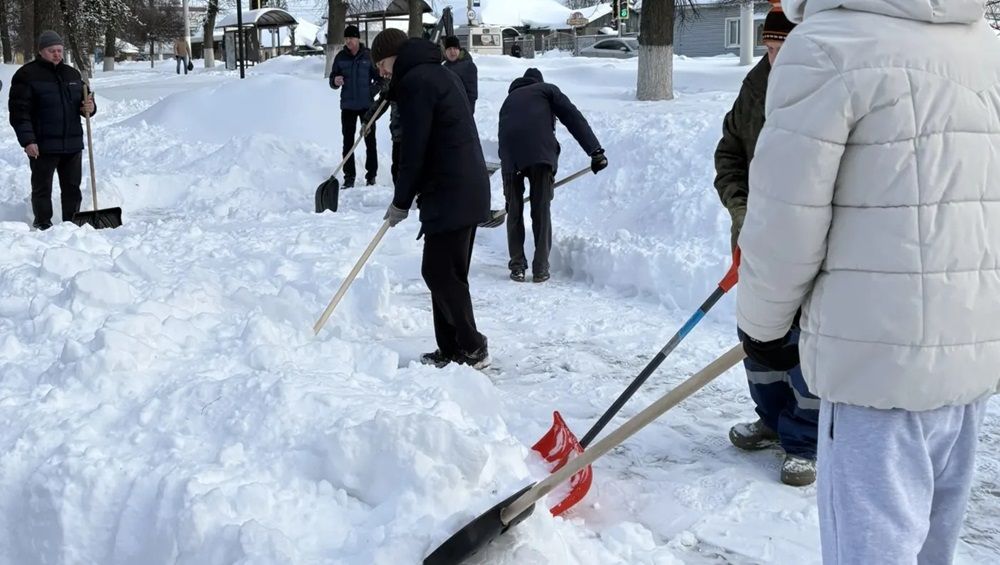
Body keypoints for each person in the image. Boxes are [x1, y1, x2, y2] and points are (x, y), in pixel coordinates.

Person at [736, 0, 1000, 561]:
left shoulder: (827, 46)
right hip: (972, 353)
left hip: (876, 362)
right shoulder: (984, 44)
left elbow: (785, 220)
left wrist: (762, 326)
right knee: (932, 547)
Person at [713, 1, 816, 487]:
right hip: (755, 240)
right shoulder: (755, 86)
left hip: (807, 243)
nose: (775, 56)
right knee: (758, 336)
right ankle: (772, 420)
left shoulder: (821, 86)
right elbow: (729, 154)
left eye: (784, 46)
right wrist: (742, 211)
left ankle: (804, 442)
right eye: (769, 46)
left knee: (803, 344)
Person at [370, 30, 492, 369]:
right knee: (447, 271)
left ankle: (473, 346)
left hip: (451, 187)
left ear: (394, 56)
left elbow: (415, 148)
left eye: (381, 63)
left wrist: (401, 200)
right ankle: (451, 348)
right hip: (462, 185)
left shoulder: (417, 82)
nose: (381, 71)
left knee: (438, 271)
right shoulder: (436, 74)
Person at [497, 68, 606, 283]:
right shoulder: (546, 90)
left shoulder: (509, 100)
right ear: (539, 81)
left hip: (510, 156)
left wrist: (509, 182)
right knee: (541, 208)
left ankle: (517, 266)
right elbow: (572, 117)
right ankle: (540, 268)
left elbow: (504, 136)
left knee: (514, 210)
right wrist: (595, 151)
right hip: (540, 154)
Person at [9, 31, 96, 231]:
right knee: (42, 188)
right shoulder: (26, 75)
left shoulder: (72, 74)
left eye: (59, 50)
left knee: (72, 188)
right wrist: (28, 141)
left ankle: (72, 224)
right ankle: (43, 224)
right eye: (52, 51)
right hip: (43, 144)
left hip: (72, 143)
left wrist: (90, 108)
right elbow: (19, 113)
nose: (57, 54)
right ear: (41, 51)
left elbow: (85, 103)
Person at [330, 25, 381, 188]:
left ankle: (371, 176)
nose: (348, 41)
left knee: (370, 142)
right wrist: (335, 81)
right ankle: (349, 177)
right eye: (346, 38)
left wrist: (371, 92)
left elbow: (380, 78)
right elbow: (332, 78)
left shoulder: (368, 56)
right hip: (348, 107)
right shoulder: (340, 57)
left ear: (358, 38)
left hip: (367, 107)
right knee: (348, 142)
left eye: (351, 38)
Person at [441, 36, 477, 114]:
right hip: (447, 111)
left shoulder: (468, 66)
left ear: (459, 50)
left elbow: (471, 94)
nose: (452, 52)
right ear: (445, 51)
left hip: (462, 112)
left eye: (455, 48)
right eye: (449, 49)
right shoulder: (444, 66)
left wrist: (468, 112)